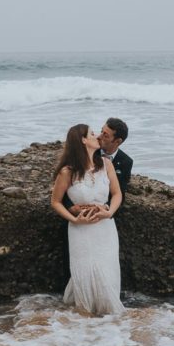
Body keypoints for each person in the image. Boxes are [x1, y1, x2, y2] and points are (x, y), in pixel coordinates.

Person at [51, 124, 124, 315]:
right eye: (92, 134)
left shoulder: (106, 164)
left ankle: (109, 320)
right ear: (83, 140)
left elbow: (117, 194)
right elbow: (56, 202)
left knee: (107, 271)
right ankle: (84, 319)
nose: (97, 136)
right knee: (85, 272)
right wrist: (74, 220)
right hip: (80, 230)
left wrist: (109, 212)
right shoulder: (67, 171)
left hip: (105, 228)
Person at [65, 117, 133, 218]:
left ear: (117, 141)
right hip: (78, 215)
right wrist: (71, 207)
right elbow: (62, 184)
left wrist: (105, 209)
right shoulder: (89, 149)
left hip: (103, 215)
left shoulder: (126, 162)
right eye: (101, 131)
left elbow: (119, 193)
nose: (99, 136)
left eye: (105, 135)